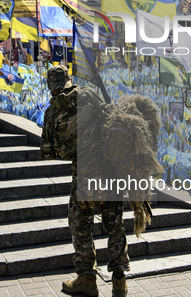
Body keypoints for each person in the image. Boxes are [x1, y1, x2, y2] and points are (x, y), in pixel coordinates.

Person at [40, 65, 129, 297]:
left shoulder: (52, 112)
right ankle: (120, 282)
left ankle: (87, 279)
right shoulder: (89, 94)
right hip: (110, 172)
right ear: (69, 79)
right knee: (115, 226)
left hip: (84, 178)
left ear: (50, 85)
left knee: (81, 227)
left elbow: (53, 153)